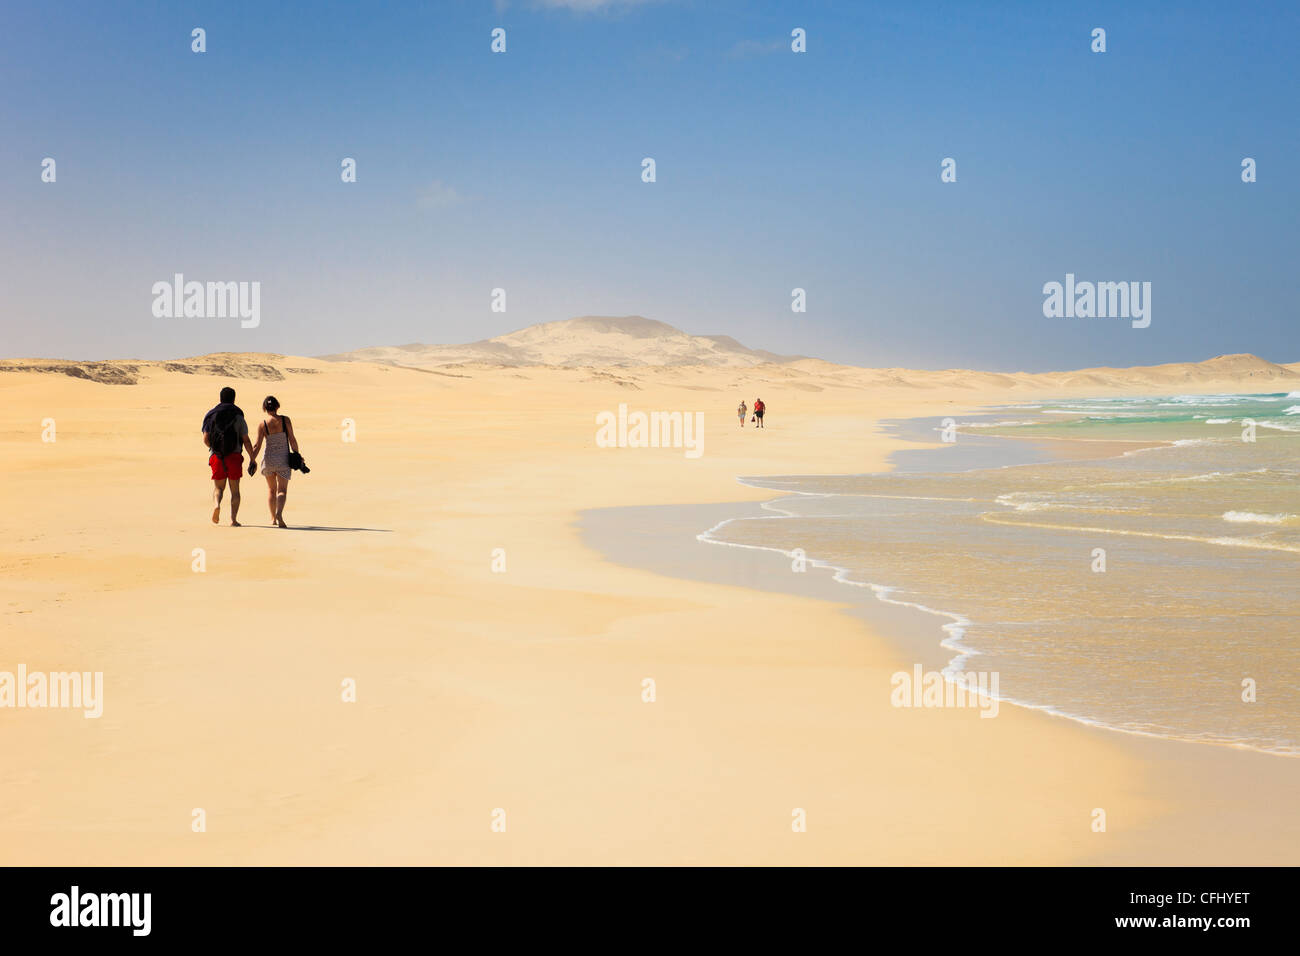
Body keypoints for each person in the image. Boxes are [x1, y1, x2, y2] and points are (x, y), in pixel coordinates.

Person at [201, 386, 258, 526]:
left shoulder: (211, 415)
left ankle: (216, 504)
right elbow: (246, 440)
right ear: (234, 399)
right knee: (235, 490)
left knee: (219, 488)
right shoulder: (238, 416)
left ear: (220, 398)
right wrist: (252, 458)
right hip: (234, 456)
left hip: (217, 456)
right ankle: (233, 519)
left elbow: (205, 438)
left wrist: (215, 449)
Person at [251, 395, 300, 529]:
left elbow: (257, 446)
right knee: (282, 490)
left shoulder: (263, 424)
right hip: (283, 460)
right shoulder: (285, 420)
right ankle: (279, 514)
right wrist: (297, 454)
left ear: (265, 408)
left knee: (271, 490)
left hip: (269, 460)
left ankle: (273, 518)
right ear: (277, 406)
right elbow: (292, 440)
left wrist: (252, 460)